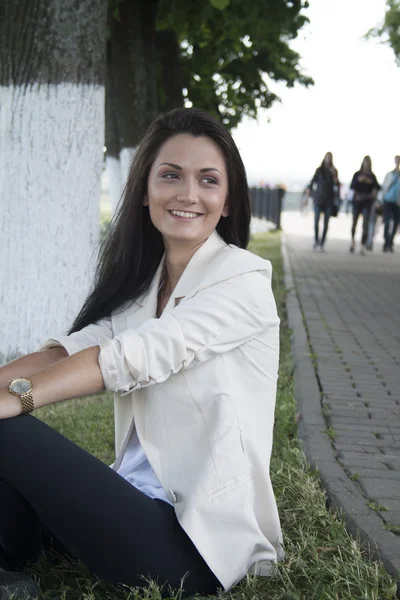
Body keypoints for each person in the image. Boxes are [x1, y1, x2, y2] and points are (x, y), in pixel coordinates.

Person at [0, 108, 283, 600]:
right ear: (145, 191)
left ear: (229, 200)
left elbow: (137, 354)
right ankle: (11, 566)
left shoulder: (244, 279)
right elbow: (70, 351)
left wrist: (19, 397)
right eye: (170, 175)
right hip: (129, 506)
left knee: (8, 432)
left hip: (189, 547)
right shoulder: (145, 287)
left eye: (207, 180)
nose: (187, 193)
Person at [306, 152, 340, 251]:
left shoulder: (334, 171)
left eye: (330, 158)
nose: (328, 159)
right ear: (324, 158)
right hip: (319, 199)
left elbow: (337, 185)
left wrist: (334, 176)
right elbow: (312, 182)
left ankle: (322, 243)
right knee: (316, 221)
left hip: (329, 200)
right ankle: (316, 241)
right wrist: (309, 191)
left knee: (326, 223)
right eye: (327, 157)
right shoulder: (319, 170)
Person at [349, 156, 380, 255]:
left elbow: (378, 187)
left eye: (368, 163)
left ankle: (362, 245)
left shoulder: (372, 176)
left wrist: (370, 184)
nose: (366, 164)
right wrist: (359, 180)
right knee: (354, 223)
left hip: (367, 202)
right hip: (357, 201)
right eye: (365, 162)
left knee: (365, 224)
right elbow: (352, 186)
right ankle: (353, 242)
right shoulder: (357, 174)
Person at [381, 155, 400, 252]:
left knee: (396, 223)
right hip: (388, 201)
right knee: (387, 222)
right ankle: (386, 242)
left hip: (398, 203)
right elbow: (384, 187)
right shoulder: (389, 174)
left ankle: (390, 242)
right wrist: (381, 200)